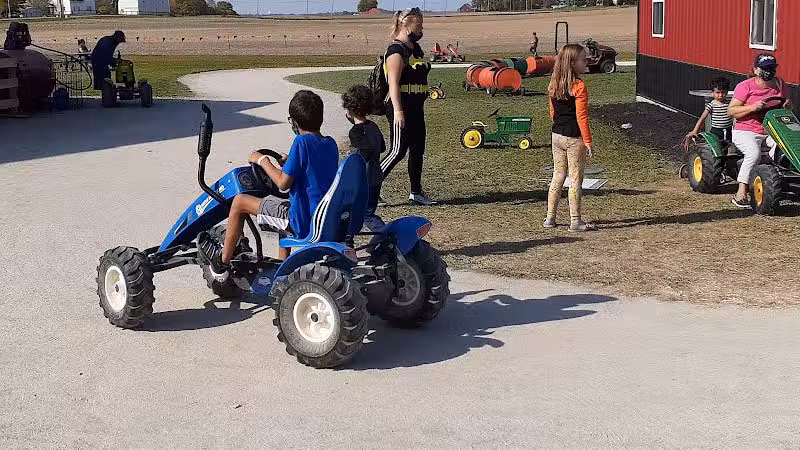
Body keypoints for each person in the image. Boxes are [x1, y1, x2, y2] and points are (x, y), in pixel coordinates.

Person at [198, 90, 339, 281]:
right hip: (321, 217)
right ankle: (283, 269)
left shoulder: (301, 142)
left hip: (301, 221)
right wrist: (288, 163)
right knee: (281, 208)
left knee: (239, 202)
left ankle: (221, 262)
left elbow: (282, 183)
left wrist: (262, 160)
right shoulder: (330, 143)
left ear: (294, 123)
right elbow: (313, 170)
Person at [379, 7, 436, 206]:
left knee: (417, 148)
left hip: (416, 107)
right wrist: (398, 111)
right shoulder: (396, 51)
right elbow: (393, 83)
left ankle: (416, 192)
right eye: (419, 25)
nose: (421, 30)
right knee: (398, 150)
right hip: (400, 107)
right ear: (407, 26)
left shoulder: (414, 50)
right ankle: (370, 189)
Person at [728, 54, 792, 208]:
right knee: (754, 153)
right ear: (756, 69)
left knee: (788, 148)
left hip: (771, 130)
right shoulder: (745, 86)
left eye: (771, 68)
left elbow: (788, 106)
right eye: (765, 68)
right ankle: (741, 192)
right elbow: (731, 111)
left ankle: (772, 182)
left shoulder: (780, 84)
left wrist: (788, 105)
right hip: (746, 130)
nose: (769, 71)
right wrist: (752, 107)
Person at [544, 43, 595, 232]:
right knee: (575, 179)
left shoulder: (554, 83)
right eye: (583, 59)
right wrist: (587, 141)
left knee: (558, 175)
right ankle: (575, 221)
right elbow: (582, 116)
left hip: (556, 135)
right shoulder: (579, 86)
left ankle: (550, 218)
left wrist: (559, 124)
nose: (586, 62)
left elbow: (552, 111)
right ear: (573, 63)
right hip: (574, 138)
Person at [342, 85, 386, 232]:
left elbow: (364, 152)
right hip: (376, 177)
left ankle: (386, 235)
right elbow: (382, 147)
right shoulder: (373, 126)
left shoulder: (356, 131)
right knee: (368, 211)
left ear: (350, 110)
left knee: (363, 214)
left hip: (363, 181)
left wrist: (351, 156)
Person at [686, 76, 733, 142]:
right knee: (716, 147)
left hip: (729, 130)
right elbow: (702, 117)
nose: (720, 95)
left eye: (723, 92)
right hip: (716, 132)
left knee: (729, 146)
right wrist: (695, 130)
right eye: (718, 92)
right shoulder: (711, 105)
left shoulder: (730, 103)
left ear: (727, 92)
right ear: (713, 93)